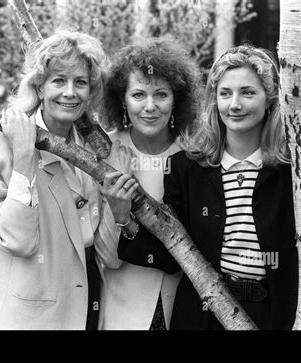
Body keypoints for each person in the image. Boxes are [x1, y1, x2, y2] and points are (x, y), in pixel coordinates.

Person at [115, 44, 301, 330]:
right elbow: (171, 254)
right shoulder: (188, 168)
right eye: (225, 93)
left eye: (248, 92)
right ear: (215, 100)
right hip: (204, 316)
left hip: (276, 314)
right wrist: (124, 218)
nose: (235, 104)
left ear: (270, 99)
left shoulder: (296, 169)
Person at [0, 30, 127, 330]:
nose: (70, 93)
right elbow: (16, 240)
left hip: (86, 302)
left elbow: (108, 256)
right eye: (59, 80)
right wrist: (22, 159)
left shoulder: (95, 150)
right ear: (39, 86)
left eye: (80, 82)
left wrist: (119, 215)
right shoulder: (2, 145)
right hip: (31, 316)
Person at [98, 37, 202, 330]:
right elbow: (107, 258)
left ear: (176, 99)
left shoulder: (194, 157)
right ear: (122, 99)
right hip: (121, 315)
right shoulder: (104, 151)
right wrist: (118, 212)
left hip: (180, 313)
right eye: (139, 95)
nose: (150, 107)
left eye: (161, 94)